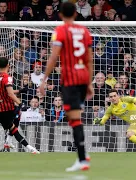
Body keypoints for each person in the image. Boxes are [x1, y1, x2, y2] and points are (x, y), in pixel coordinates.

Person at [39, 2, 94, 172]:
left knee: (74, 119)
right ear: (76, 14)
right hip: (83, 77)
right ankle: (83, 155)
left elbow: (54, 56)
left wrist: (44, 79)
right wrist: (89, 82)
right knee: (75, 118)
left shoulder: (60, 31)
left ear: (60, 15)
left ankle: (82, 158)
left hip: (70, 79)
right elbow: (89, 59)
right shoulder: (85, 31)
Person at [0, 57, 39, 154]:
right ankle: (30, 148)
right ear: (8, 65)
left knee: (17, 115)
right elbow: (10, 94)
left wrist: (20, 90)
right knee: (14, 128)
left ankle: (8, 142)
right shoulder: (7, 77)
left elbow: (6, 91)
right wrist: (21, 103)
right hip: (6, 108)